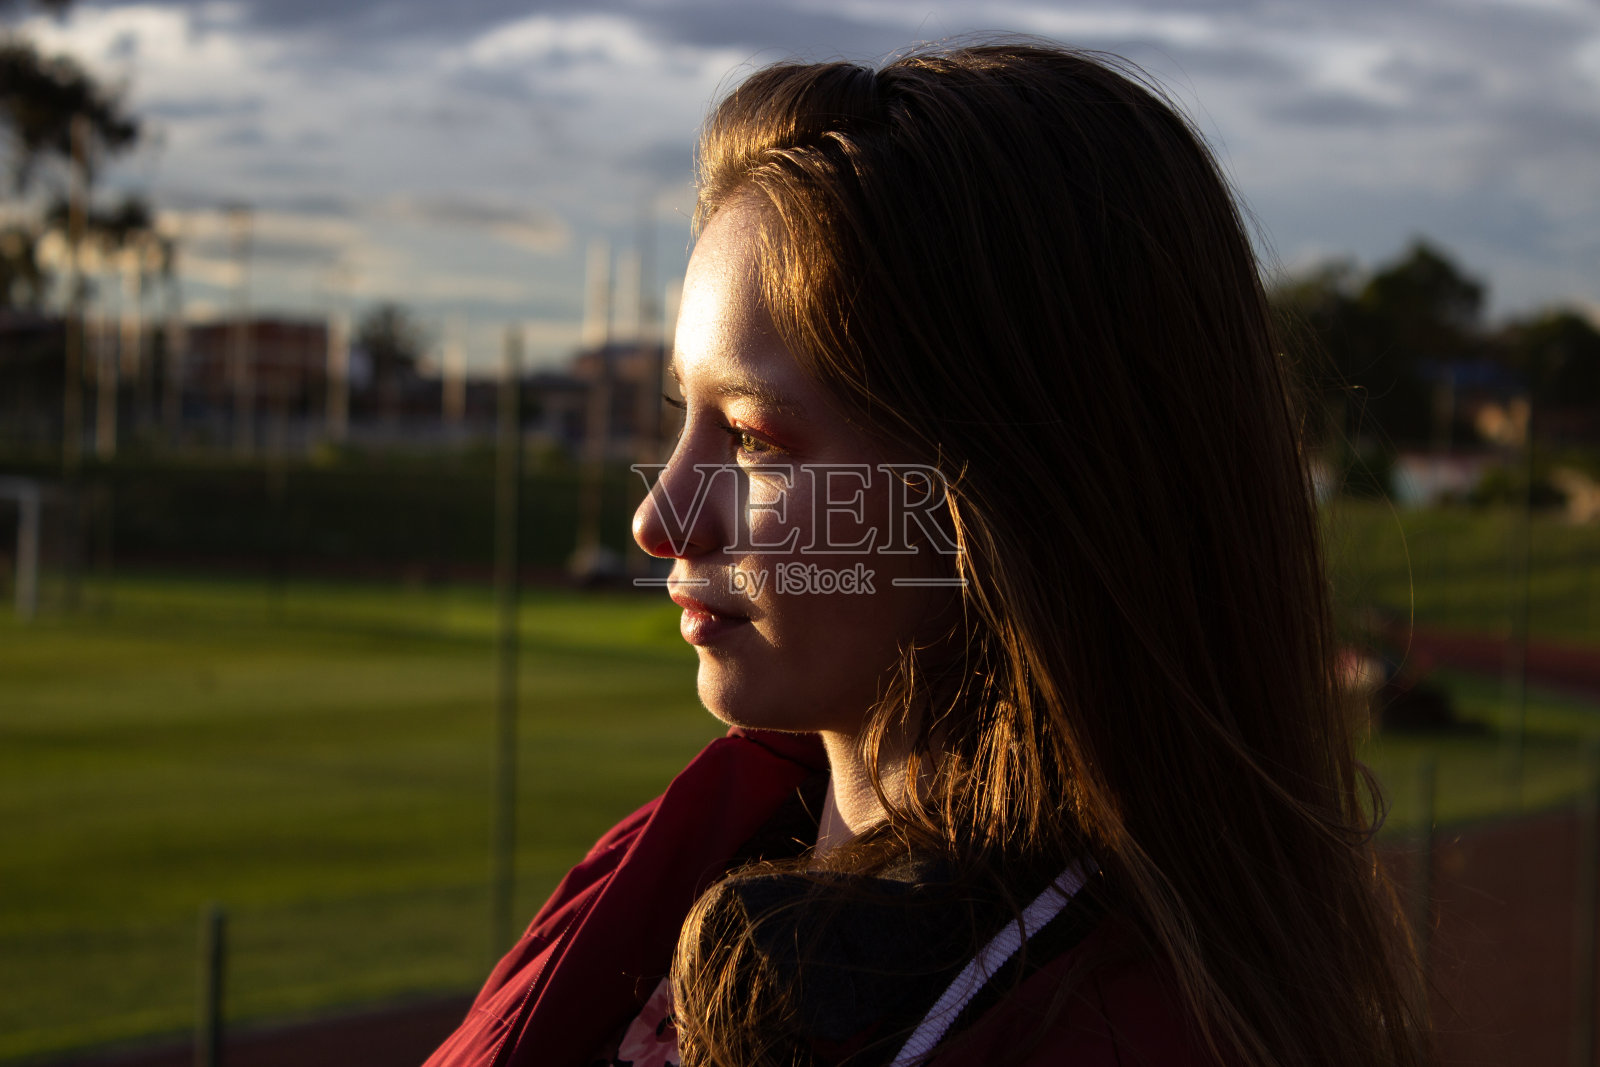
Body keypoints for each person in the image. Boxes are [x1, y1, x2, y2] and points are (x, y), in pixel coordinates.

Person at [424, 41, 1430, 1067]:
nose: (661, 516)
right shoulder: (662, 861)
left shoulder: (1117, 1027)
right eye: (686, 415)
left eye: (756, 440)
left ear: (1011, 483)